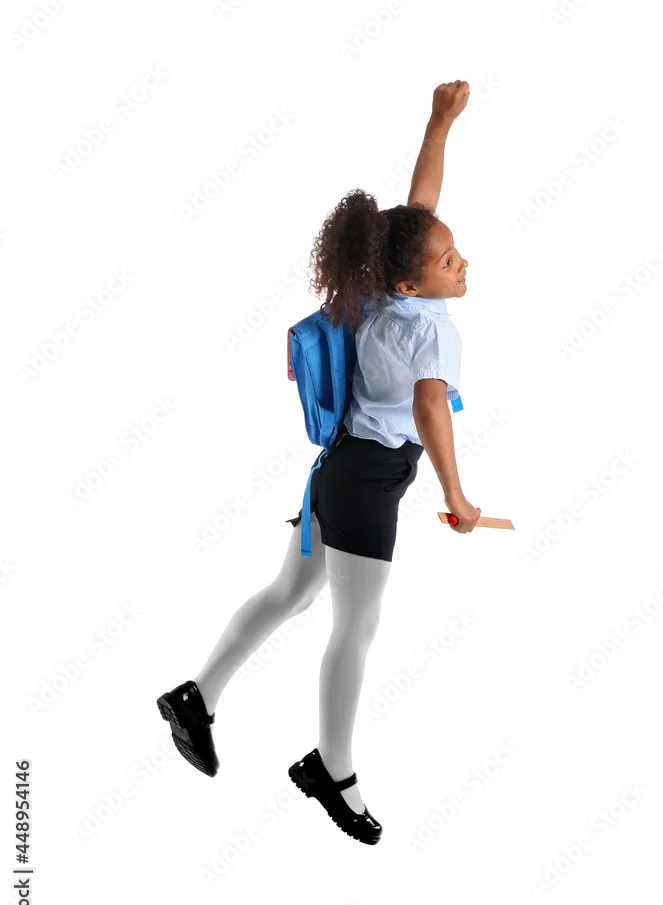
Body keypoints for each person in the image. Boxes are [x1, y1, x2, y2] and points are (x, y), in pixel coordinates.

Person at [157, 81, 481, 846]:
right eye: (447, 259)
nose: (462, 260)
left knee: (293, 592)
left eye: (454, 249)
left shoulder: (381, 290)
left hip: (337, 469)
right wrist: (458, 495)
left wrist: (438, 123)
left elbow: (417, 209)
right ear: (412, 282)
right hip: (365, 481)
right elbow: (431, 409)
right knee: (355, 627)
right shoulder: (430, 331)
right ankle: (331, 770)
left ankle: (195, 697)